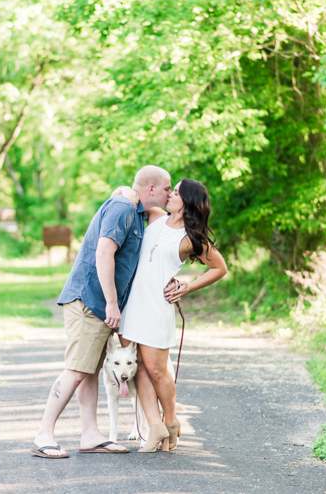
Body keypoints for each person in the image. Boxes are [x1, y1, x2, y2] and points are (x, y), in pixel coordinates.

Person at [31, 165, 172, 458]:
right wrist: (111, 302)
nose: (169, 193)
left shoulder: (137, 212)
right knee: (76, 370)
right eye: (167, 188)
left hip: (100, 304)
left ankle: (90, 435)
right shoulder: (123, 207)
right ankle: (44, 433)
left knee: (91, 370)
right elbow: (104, 252)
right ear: (150, 189)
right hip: (89, 301)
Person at [117, 178, 228, 452]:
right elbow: (124, 194)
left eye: (176, 192)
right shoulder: (154, 216)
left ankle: (171, 422)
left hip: (157, 307)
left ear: (187, 202)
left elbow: (220, 268)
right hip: (133, 305)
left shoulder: (191, 239)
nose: (170, 195)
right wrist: (123, 191)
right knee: (138, 366)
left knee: (156, 370)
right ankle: (154, 428)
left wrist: (187, 286)